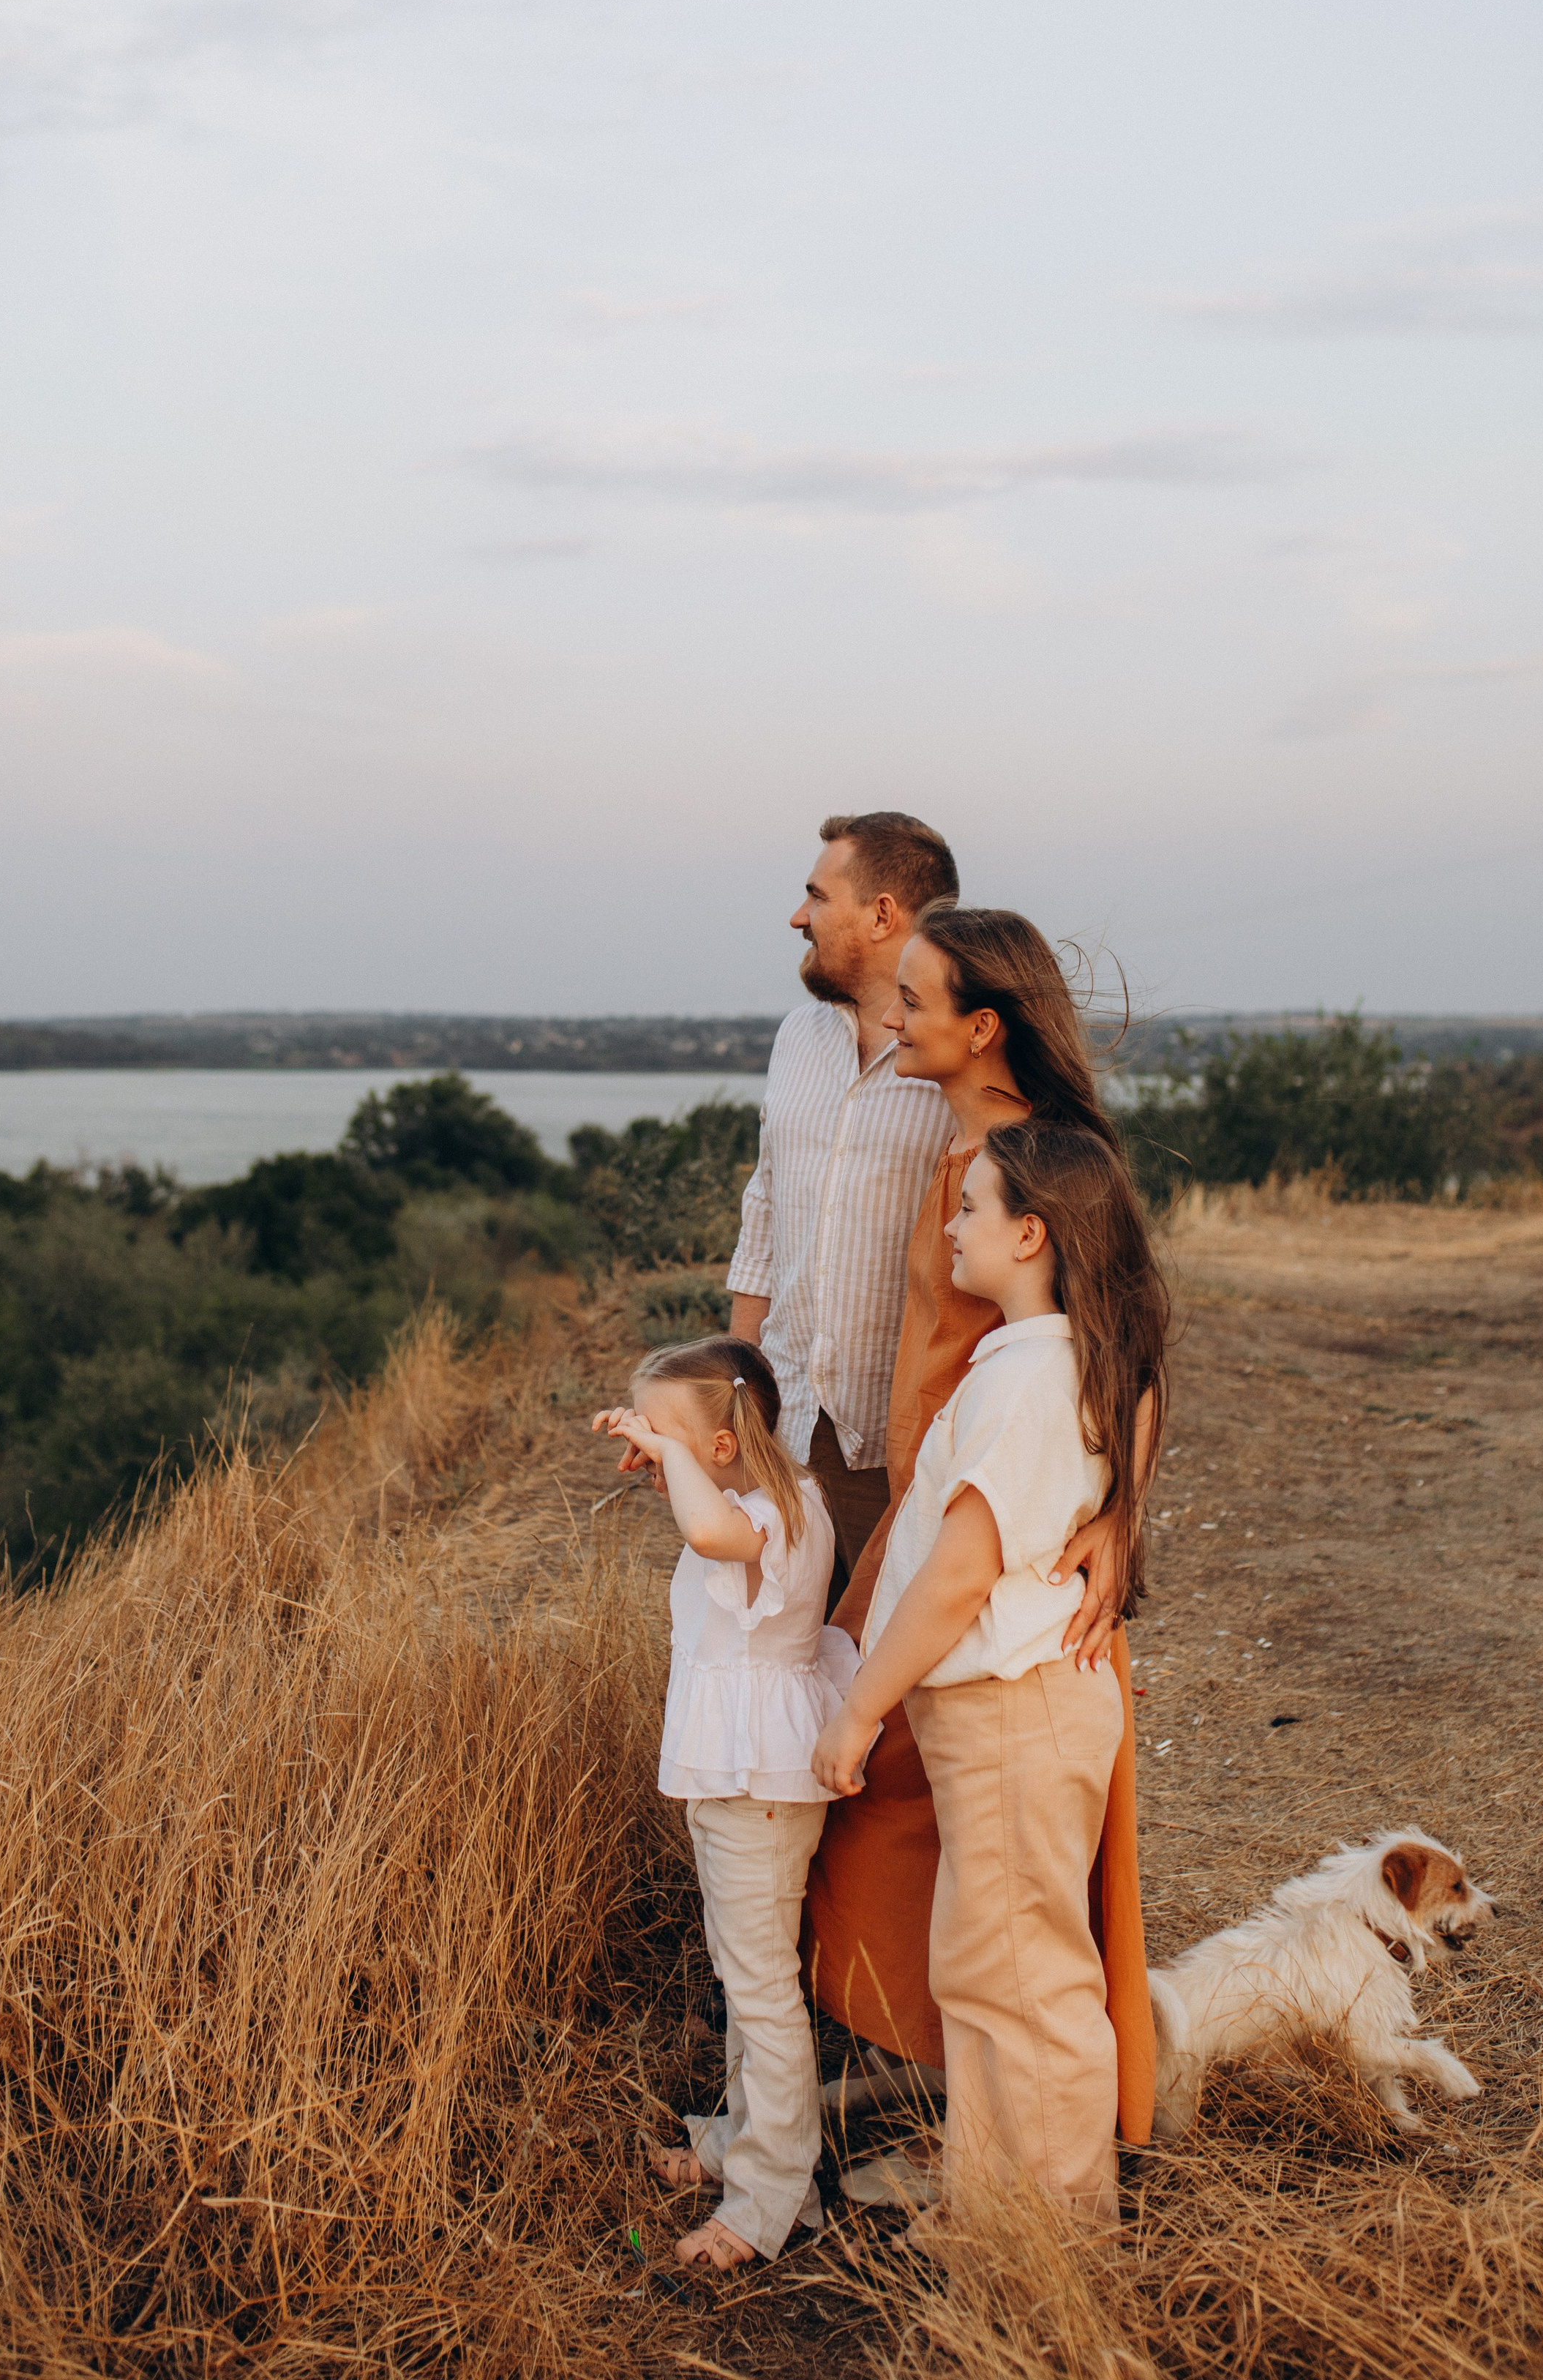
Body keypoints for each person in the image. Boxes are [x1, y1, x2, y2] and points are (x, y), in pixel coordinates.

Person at [803, 911, 1155, 2148]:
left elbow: (1136, 1354)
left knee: (978, 1894)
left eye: (913, 1002)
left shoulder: (1019, 1172)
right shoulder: (972, 1161)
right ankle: (966, 2147)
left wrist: (1119, 1513)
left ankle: (1033, 2196)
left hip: (985, 1562)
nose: (893, 1023)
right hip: (953, 1535)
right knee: (966, 1896)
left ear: (981, 1026)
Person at [595, 1337, 857, 2271]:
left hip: (757, 1783)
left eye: (664, 1436)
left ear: (714, 1450)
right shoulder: (770, 1499)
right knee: (741, 1965)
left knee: (760, 1989)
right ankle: (735, 2141)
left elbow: (709, 1536)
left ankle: (768, 2194)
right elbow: (708, 1522)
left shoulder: (765, 1518)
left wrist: (669, 1458)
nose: (650, 1451)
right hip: (740, 1777)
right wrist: (671, 1456)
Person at [726, 812, 961, 1603]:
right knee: (780, 1662)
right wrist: (738, 1382)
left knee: (892, 1667)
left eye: (816, 896)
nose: (799, 917)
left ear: (883, 914)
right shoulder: (796, 1037)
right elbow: (764, 1208)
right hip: (784, 1419)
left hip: (899, 1428)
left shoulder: (958, 1048)